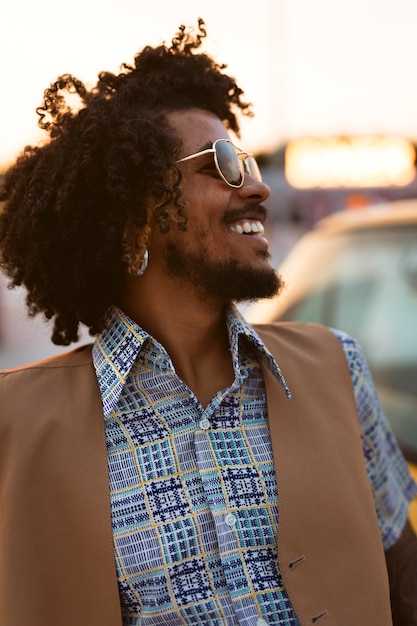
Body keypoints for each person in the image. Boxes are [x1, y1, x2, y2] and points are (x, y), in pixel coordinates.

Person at [0, 20, 416, 626]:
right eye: (223, 163)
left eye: (249, 160)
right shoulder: (16, 425)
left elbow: (400, 572)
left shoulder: (334, 367)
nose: (258, 187)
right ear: (136, 213)